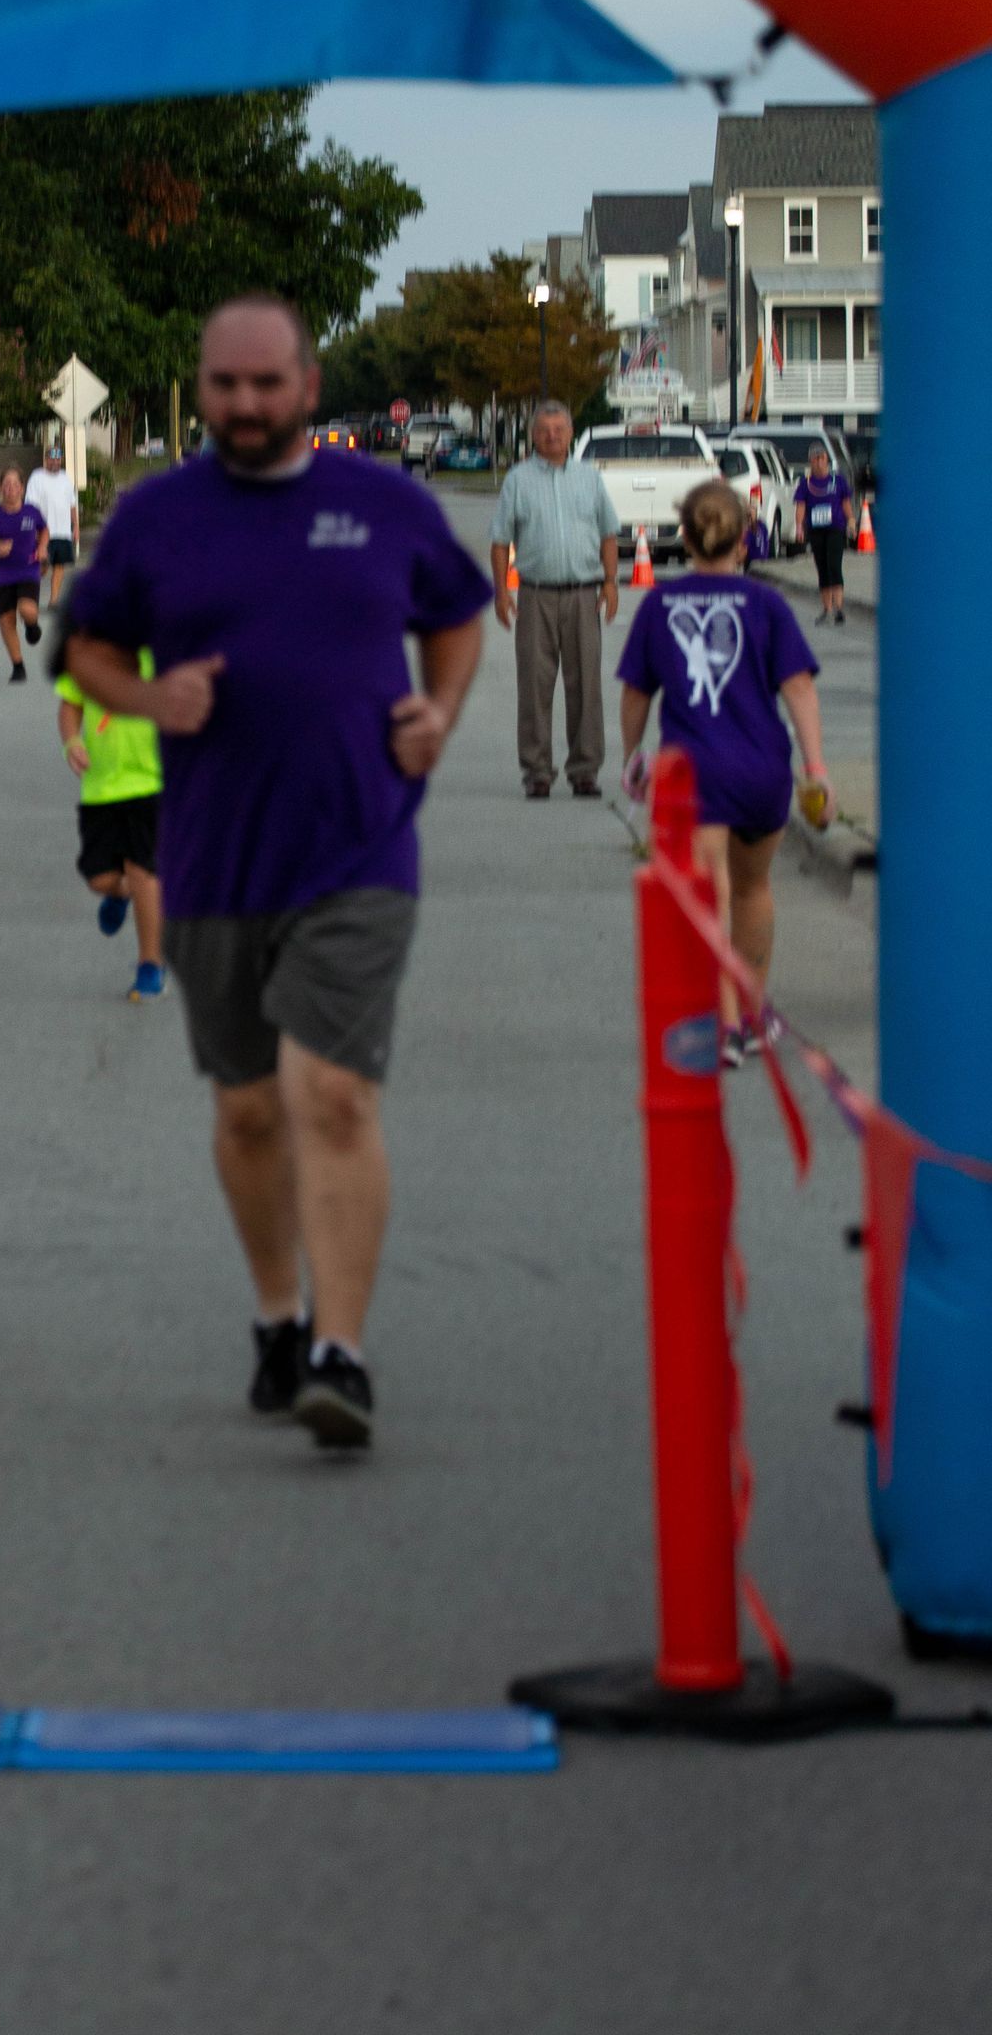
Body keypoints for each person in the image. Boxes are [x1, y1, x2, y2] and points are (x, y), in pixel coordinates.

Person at [62, 295, 490, 1451]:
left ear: (307, 383)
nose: (246, 404)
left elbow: (458, 614)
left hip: (359, 844)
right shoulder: (158, 518)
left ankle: (341, 1359)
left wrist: (440, 712)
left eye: (268, 383)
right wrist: (149, 698)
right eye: (225, 385)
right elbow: (86, 646)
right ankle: (278, 1317)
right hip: (213, 858)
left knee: (334, 1094)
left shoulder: (385, 503)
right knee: (250, 1112)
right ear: (202, 391)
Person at [618, 478, 832, 1069]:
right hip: (763, 768)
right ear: (744, 541)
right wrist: (815, 768)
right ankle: (753, 1012)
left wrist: (633, 756)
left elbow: (637, 692)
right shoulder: (767, 605)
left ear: (684, 537)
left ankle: (726, 1025)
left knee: (708, 894)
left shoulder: (660, 605)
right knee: (755, 889)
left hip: (697, 772)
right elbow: (799, 687)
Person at [490, 400, 620, 797]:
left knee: (586, 686)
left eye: (559, 429)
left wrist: (610, 582)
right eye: (545, 430)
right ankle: (537, 772)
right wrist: (501, 591)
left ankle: (585, 770)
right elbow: (500, 541)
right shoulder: (517, 480)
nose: (552, 436)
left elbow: (608, 533)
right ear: (533, 436)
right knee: (534, 687)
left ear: (570, 433)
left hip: (583, 595)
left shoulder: (589, 478)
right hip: (536, 595)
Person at [54, 646, 166, 1001]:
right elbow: (70, 705)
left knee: (143, 869)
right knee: (99, 878)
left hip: (153, 782)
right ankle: (119, 894)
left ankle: (150, 965)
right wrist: (72, 741)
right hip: (101, 787)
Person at [0, 467, 47, 682]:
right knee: (7, 620)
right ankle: (18, 666)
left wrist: (43, 548)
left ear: (22, 488)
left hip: (28, 569)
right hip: (3, 574)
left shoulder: (31, 511)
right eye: (6, 485)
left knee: (27, 609)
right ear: (0, 488)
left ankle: (32, 625)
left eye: (14, 484)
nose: (10, 489)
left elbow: (44, 530)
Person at [793, 442, 853, 625]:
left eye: (822, 458)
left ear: (827, 460)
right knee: (822, 567)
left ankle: (839, 608)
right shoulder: (806, 484)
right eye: (815, 458)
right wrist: (799, 527)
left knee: (834, 564)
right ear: (810, 461)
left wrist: (851, 520)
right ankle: (827, 608)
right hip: (816, 529)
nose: (819, 462)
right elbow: (801, 507)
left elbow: (846, 504)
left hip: (835, 527)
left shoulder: (838, 481)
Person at [26, 441, 81, 609]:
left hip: (63, 531)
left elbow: (72, 504)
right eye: (51, 459)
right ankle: (29, 595)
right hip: (44, 532)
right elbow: (31, 505)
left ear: (61, 460)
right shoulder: (37, 477)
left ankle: (54, 600)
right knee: (41, 566)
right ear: (46, 460)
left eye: (58, 459)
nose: (55, 462)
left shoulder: (66, 479)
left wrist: (76, 526)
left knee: (59, 565)